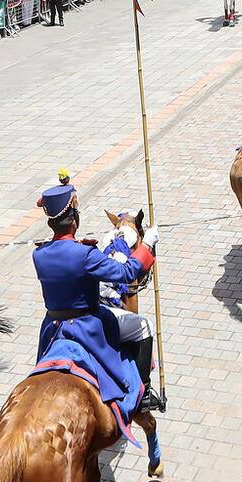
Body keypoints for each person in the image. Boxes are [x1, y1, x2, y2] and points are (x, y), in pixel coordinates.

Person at [30, 177, 162, 412]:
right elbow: (126, 271)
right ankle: (143, 396)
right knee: (144, 326)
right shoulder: (85, 254)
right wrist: (147, 245)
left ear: (52, 224)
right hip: (88, 324)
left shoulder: (39, 254)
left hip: (52, 326)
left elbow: (63, 256)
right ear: (75, 220)